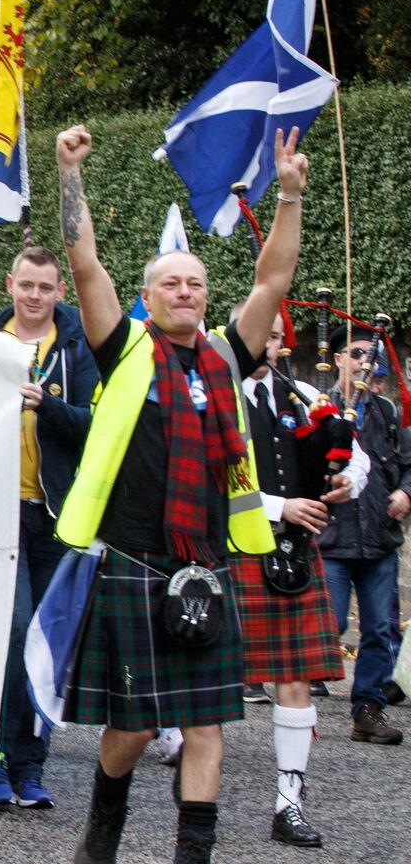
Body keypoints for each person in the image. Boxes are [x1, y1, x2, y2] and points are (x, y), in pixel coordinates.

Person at [53, 124, 305, 864]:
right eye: (172, 282)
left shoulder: (227, 357)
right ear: (148, 296)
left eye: (195, 282)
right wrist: (70, 172)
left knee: (207, 726)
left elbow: (273, 282)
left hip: (211, 565)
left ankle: (193, 854)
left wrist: (288, 195)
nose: (187, 291)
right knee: (130, 728)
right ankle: (105, 820)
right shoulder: (124, 347)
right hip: (136, 559)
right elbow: (82, 260)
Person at [227, 314, 364, 847]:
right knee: (205, 679)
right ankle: (195, 790)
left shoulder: (303, 393)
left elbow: (359, 462)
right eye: (258, 333)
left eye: (278, 336)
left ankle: (289, 803)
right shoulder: (217, 397)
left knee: (294, 679)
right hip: (233, 551)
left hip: (293, 556)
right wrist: (284, 504)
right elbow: (214, 479)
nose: (268, 343)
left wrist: (347, 480)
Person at [0, 246, 97, 809]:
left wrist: (46, 405)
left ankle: (31, 766)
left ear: (58, 293)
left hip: (55, 515)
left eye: (45, 288)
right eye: (26, 285)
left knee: (47, 644)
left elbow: (96, 428)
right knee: (15, 632)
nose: (34, 296)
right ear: (9, 284)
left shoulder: (79, 347)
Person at [317, 323, 411, 747]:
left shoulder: (388, 412)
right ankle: (296, 702)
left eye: (369, 357)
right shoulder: (318, 409)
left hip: (379, 539)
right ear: (337, 359)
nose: (363, 364)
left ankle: (367, 710)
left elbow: (409, 464)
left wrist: (405, 492)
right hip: (331, 540)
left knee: (376, 630)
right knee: (329, 622)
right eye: (355, 355)